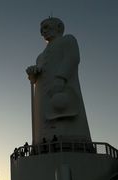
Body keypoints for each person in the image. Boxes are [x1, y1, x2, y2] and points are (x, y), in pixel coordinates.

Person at [26, 17, 91, 146]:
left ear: (59, 27)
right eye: (41, 29)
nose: (42, 31)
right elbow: (35, 78)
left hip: (62, 89)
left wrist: (60, 78)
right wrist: (33, 73)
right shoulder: (40, 56)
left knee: (65, 118)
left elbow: (72, 58)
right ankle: (40, 144)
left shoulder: (67, 40)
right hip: (43, 97)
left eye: (46, 27)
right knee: (43, 124)